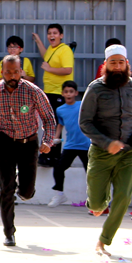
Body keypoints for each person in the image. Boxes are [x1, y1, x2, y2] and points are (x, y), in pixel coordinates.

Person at [0, 55, 56, 246]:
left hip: (29, 143)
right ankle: (9, 233)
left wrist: (47, 141)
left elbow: (49, 119)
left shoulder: (33, 91)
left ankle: (22, 186)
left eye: (15, 72)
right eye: (8, 72)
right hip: (5, 143)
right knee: (6, 189)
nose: (12, 76)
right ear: (2, 72)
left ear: (21, 71)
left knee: (27, 193)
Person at [80, 44, 132, 257]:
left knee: (123, 197)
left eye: (120, 63)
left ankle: (104, 240)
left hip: (129, 153)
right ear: (105, 65)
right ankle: (97, 202)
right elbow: (85, 122)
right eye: (113, 63)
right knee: (97, 204)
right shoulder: (95, 89)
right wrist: (107, 142)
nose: (117, 67)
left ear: (126, 64)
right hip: (102, 153)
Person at [47, 80, 90, 208]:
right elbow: (60, 124)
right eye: (66, 92)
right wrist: (55, 137)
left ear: (76, 93)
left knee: (91, 172)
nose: (69, 94)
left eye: (71, 91)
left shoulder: (82, 105)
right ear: (62, 94)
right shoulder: (60, 110)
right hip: (70, 145)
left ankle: (94, 198)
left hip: (85, 145)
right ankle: (59, 194)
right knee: (58, 168)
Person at [32, 23, 75, 111]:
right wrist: (38, 41)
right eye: (49, 33)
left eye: (55, 33)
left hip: (59, 92)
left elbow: (68, 70)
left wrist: (49, 69)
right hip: (48, 91)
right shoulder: (51, 48)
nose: (52, 35)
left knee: (56, 118)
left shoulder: (65, 50)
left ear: (61, 36)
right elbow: (46, 57)